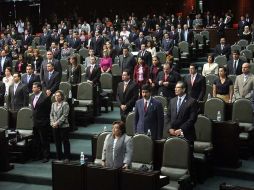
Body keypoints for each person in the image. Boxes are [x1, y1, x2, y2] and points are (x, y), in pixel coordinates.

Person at [31, 82, 51, 163]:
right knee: (36, 140)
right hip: (35, 122)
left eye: (34, 87)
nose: (32, 89)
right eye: (32, 87)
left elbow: (48, 111)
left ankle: (46, 156)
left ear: (39, 88)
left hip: (43, 122)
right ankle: (38, 155)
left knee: (44, 140)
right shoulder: (32, 96)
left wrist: (45, 122)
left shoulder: (45, 98)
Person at [50, 90, 71, 162]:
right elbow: (51, 115)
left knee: (65, 142)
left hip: (64, 126)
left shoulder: (65, 104)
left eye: (58, 95)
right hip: (55, 126)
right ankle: (59, 156)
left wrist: (57, 123)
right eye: (56, 95)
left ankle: (67, 157)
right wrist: (52, 123)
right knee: (57, 142)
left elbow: (65, 115)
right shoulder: (53, 104)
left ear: (62, 97)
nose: (57, 97)